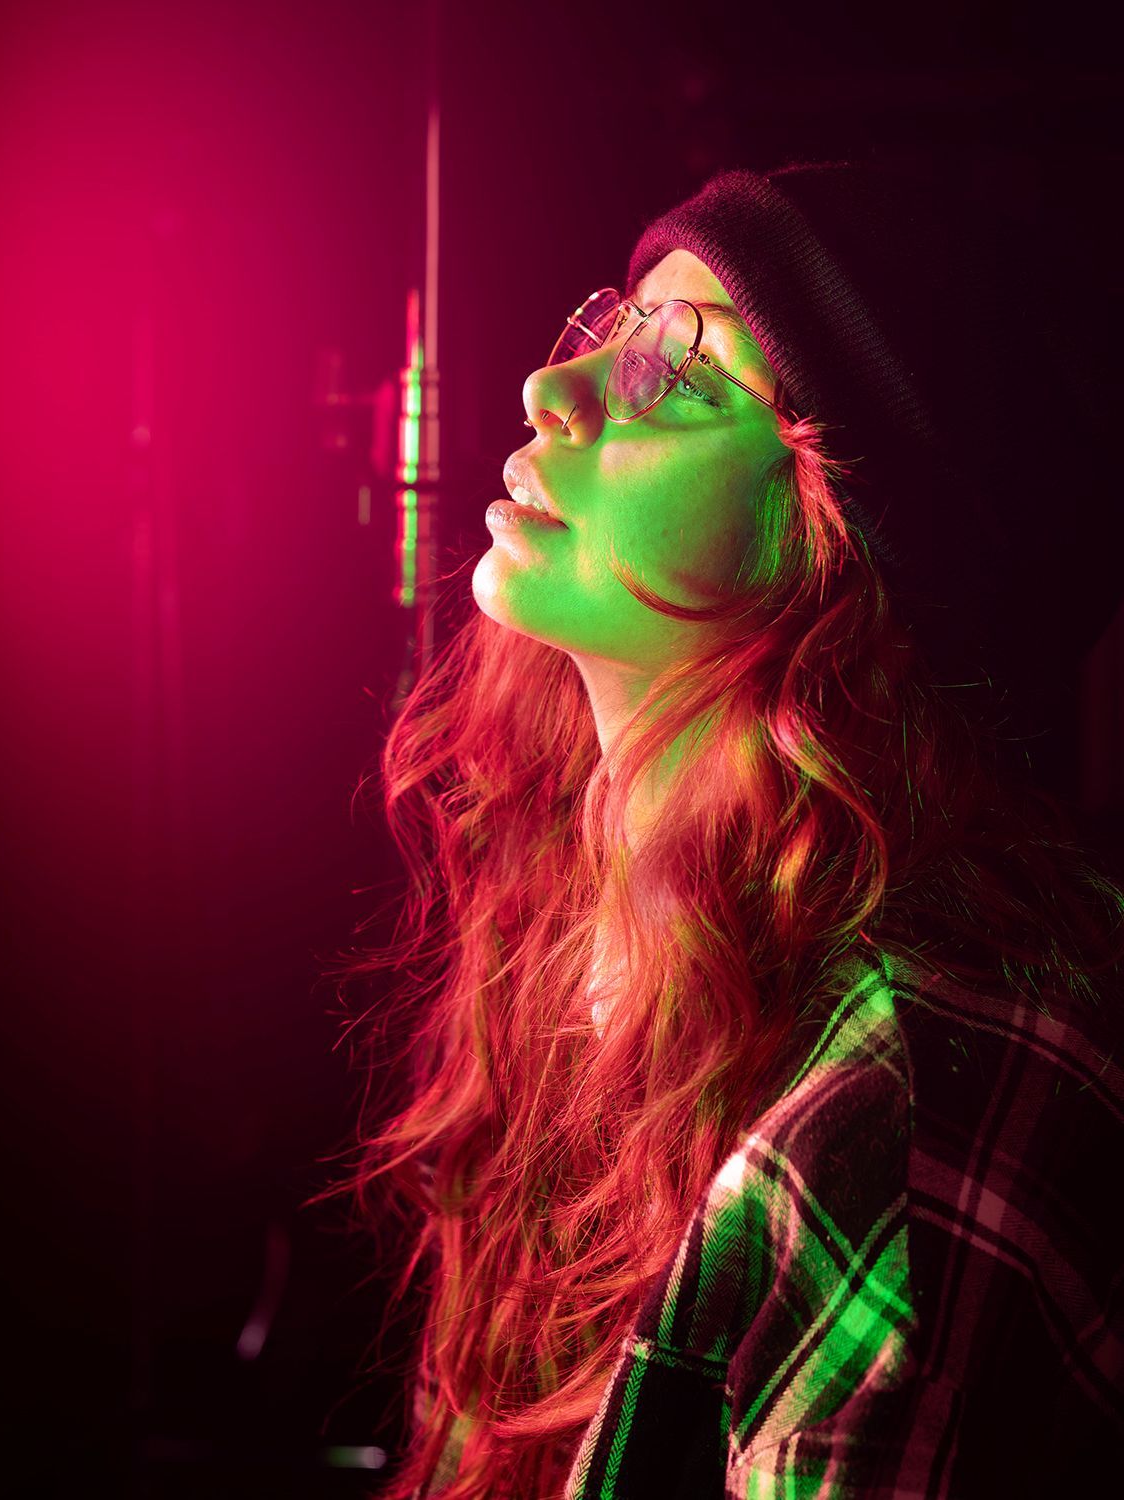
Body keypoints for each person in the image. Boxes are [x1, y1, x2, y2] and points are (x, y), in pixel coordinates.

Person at [343, 160, 1124, 1498]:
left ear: (842, 556)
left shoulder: (908, 1102)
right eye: (613, 328)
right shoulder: (575, 953)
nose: (555, 391)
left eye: (681, 379)